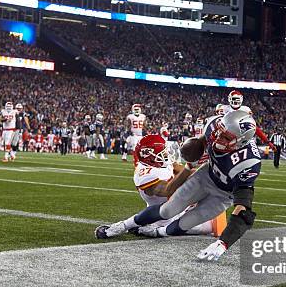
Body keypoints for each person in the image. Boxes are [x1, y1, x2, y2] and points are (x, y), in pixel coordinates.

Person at [95, 110, 261, 262]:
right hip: (206, 177)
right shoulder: (214, 125)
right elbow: (198, 146)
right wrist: (193, 153)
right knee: (167, 210)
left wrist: (223, 244)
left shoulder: (248, 163)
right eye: (219, 131)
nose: (217, 138)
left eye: (225, 138)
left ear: (241, 142)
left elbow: (243, 211)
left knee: (183, 224)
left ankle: (157, 232)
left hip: (224, 195)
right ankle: (122, 226)